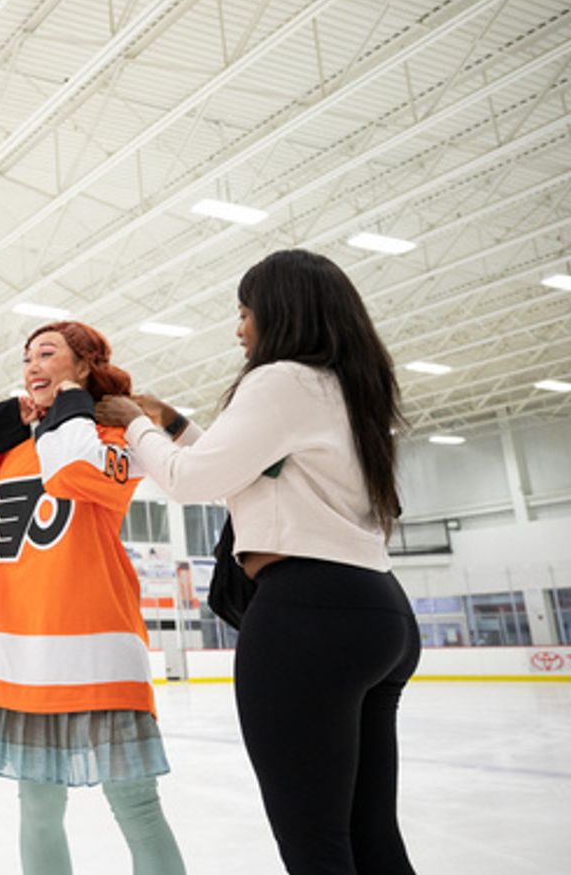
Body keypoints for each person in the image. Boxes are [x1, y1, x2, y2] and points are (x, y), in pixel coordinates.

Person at [97, 249, 420, 874]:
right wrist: (176, 423)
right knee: (372, 834)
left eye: (245, 312)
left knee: (316, 843)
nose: (239, 328)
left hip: (309, 614)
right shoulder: (347, 386)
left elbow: (190, 481)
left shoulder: (281, 379)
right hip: (380, 612)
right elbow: (251, 472)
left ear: (280, 312)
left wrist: (137, 426)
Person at [0, 321, 186, 875]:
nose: (32, 366)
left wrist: (76, 406)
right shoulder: (5, 457)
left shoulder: (113, 442)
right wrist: (8, 418)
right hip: (25, 658)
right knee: (37, 808)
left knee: (135, 805)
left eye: (48, 354)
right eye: (26, 358)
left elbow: (73, 469)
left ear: (84, 367)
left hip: (98, 650)